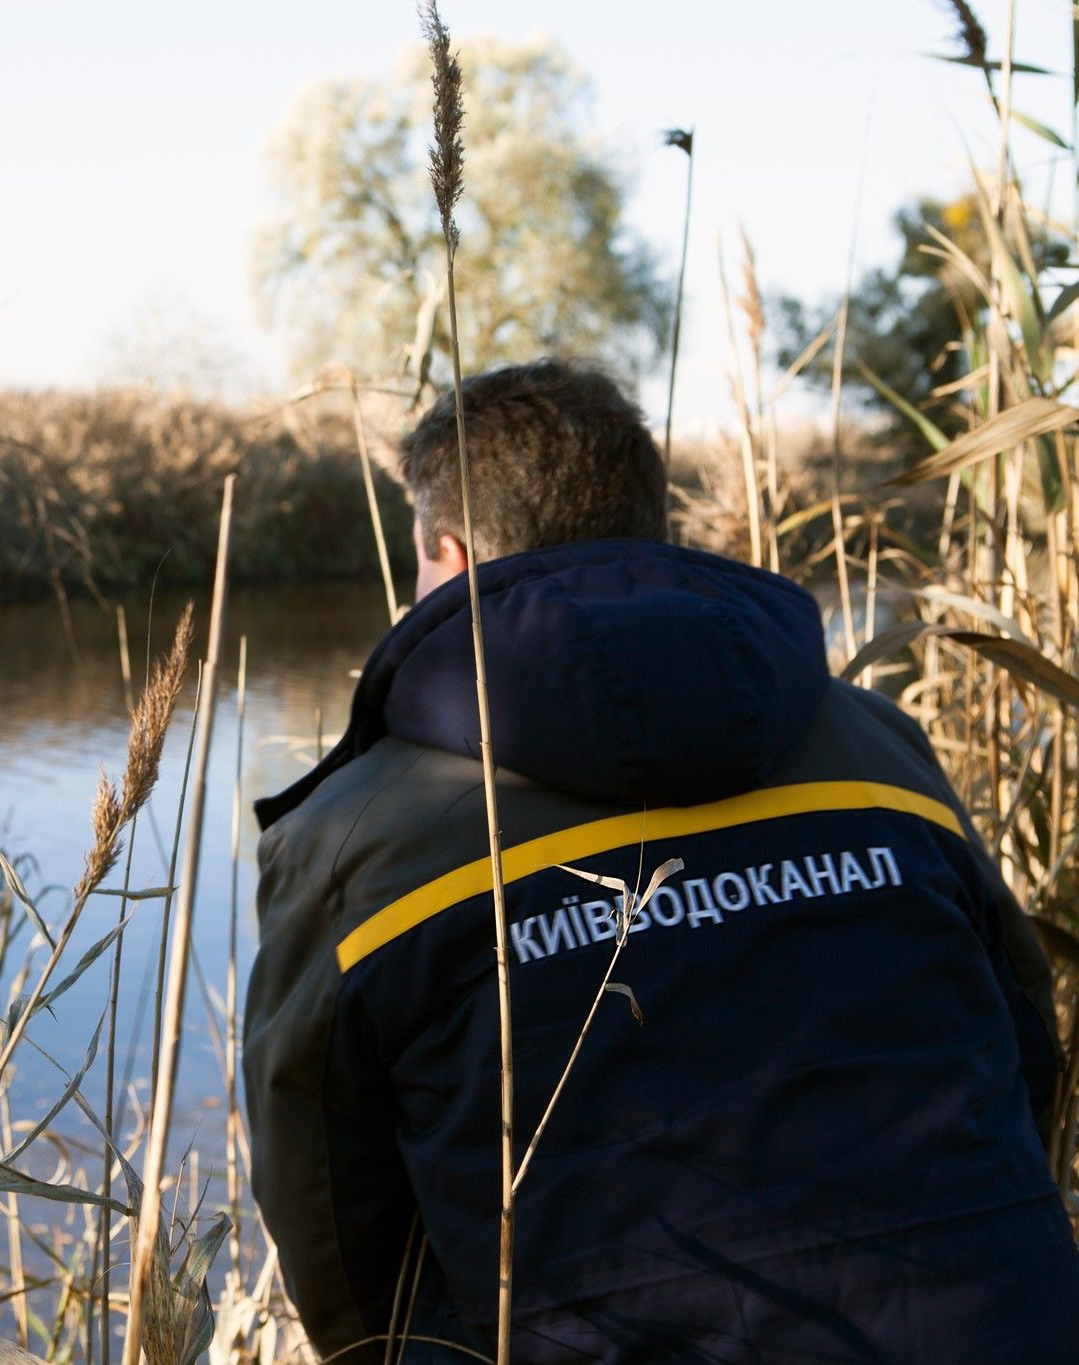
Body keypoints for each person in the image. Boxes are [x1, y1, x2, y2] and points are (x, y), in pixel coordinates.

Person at [243, 360, 1079, 1363]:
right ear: (650, 524)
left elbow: (330, 1205)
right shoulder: (878, 744)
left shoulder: (352, 835)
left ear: (447, 551)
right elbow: (1022, 1036)